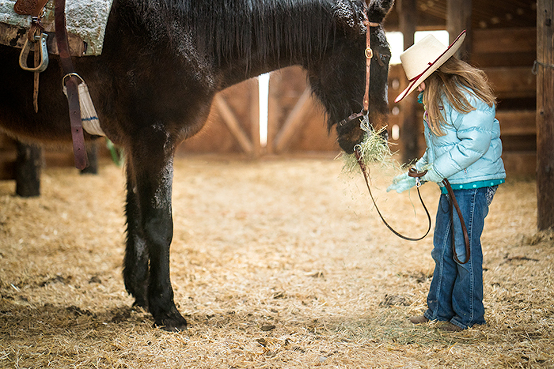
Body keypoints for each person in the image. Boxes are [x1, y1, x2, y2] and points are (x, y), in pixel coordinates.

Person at [387, 31, 506, 332]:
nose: (420, 87)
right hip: (454, 183)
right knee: (442, 247)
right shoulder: (439, 98)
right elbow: (441, 146)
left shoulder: (466, 95)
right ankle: (439, 311)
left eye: (421, 80)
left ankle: (468, 316)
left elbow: (473, 146)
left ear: (436, 72)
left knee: (462, 248)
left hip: (474, 183)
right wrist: (416, 173)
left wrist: (437, 171)